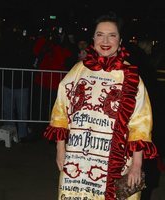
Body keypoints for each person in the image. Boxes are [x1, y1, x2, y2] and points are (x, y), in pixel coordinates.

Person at [44, 11, 158, 200]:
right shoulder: (78, 71)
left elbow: (141, 125)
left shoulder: (131, 76)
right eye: (100, 34)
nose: (105, 40)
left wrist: (136, 165)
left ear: (120, 40)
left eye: (112, 35)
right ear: (93, 38)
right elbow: (60, 113)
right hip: (77, 159)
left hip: (116, 161)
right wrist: (60, 149)